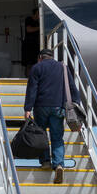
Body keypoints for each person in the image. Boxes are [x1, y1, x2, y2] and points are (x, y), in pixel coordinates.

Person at [23, 48, 74, 183]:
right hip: (58, 107)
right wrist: (76, 103)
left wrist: (27, 108)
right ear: (52, 57)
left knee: (42, 134)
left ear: (40, 57)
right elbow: (71, 86)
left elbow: (32, 89)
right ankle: (58, 164)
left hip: (41, 107)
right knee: (57, 137)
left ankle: (45, 161)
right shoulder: (62, 67)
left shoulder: (37, 68)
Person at [20, 8, 40, 74]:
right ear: (35, 13)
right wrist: (39, 28)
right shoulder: (28, 19)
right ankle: (27, 78)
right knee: (28, 64)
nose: (39, 15)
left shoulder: (38, 22)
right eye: (38, 13)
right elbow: (29, 29)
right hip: (28, 45)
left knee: (35, 63)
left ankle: (33, 78)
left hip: (36, 46)